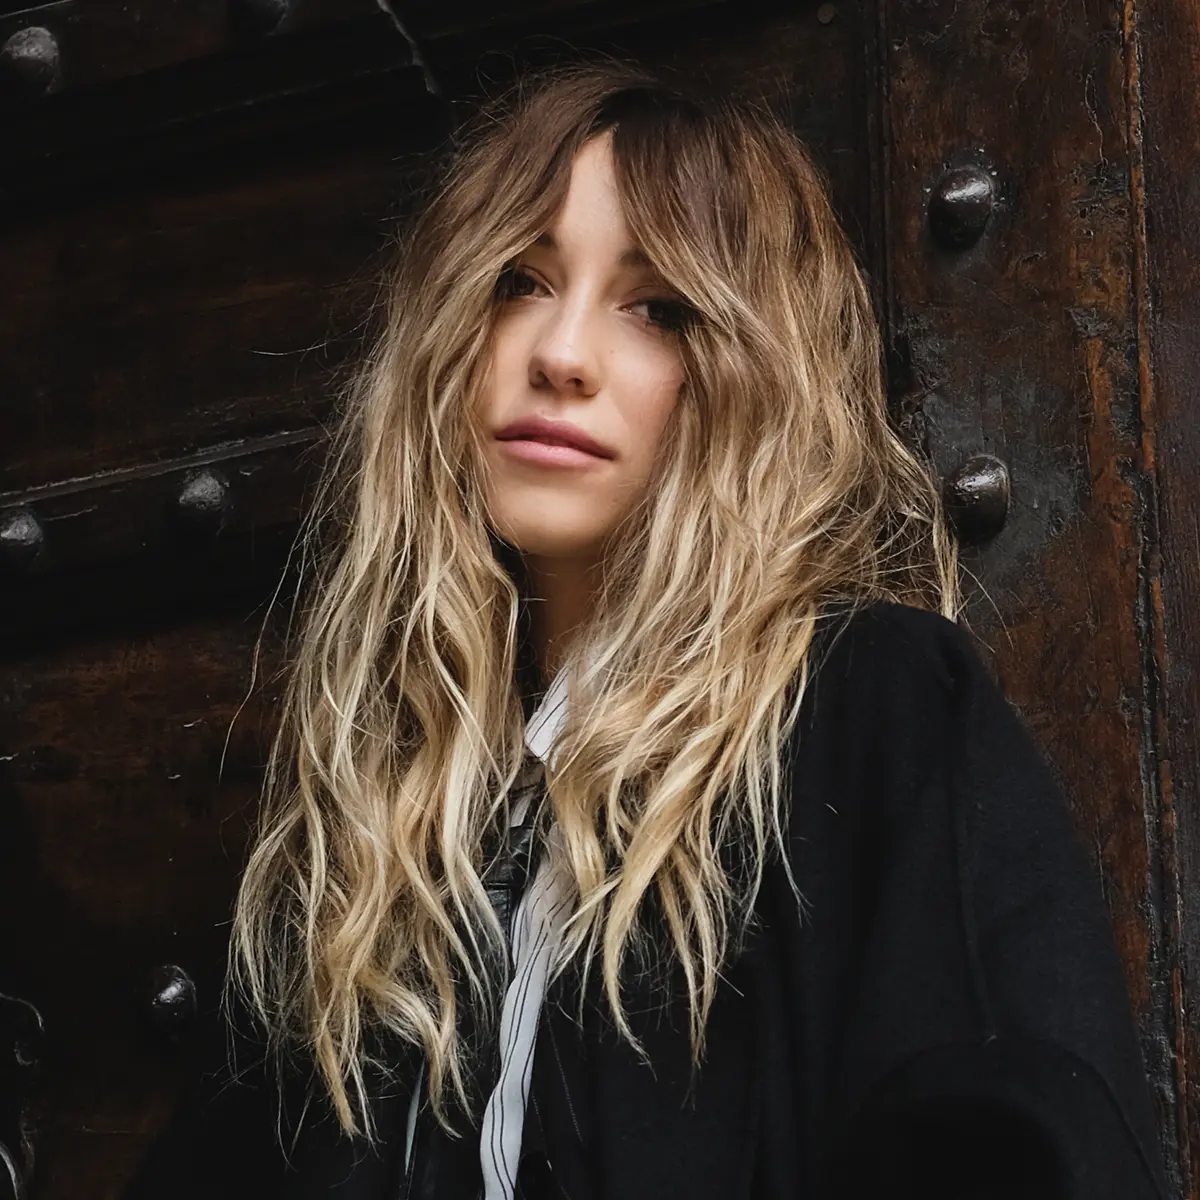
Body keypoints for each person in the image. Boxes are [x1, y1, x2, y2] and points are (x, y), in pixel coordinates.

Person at [125, 61, 1169, 1200]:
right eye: (520, 282)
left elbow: (1020, 1142)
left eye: (656, 307)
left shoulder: (871, 710)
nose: (561, 354)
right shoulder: (384, 832)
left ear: (748, 371)